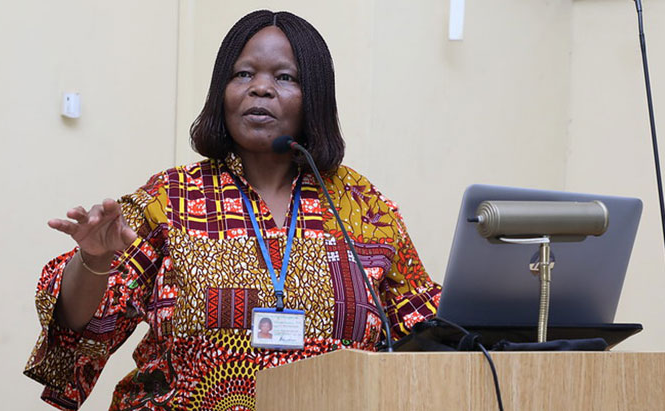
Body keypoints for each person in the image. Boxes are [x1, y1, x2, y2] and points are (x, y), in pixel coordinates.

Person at [24, 10, 441, 411]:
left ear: (314, 95)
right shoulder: (170, 199)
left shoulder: (362, 206)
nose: (260, 88)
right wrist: (94, 260)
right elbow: (78, 332)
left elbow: (429, 334)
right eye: (243, 74)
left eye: (284, 77)